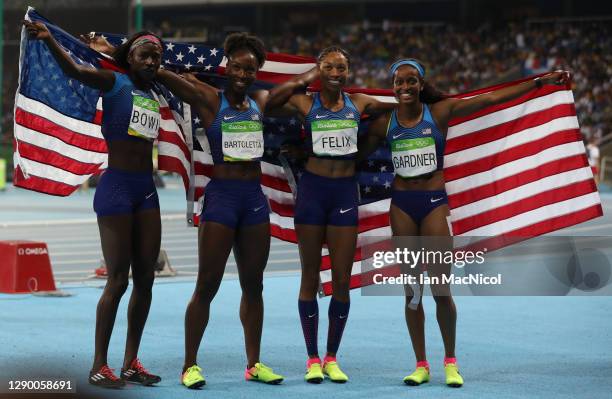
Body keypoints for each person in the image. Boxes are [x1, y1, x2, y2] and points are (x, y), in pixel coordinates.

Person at [360, 59, 570, 387]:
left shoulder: (439, 112)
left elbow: (488, 100)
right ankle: (420, 364)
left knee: (441, 290)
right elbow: (353, 156)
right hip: (401, 207)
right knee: (412, 292)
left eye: (411, 81)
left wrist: (539, 83)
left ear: (421, 84)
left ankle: (450, 361)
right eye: (399, 82)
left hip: (432, 206)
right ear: (392, 86)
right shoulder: (384, 123)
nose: (404, 87)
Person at [23, 21, 165, 388]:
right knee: (118, 279)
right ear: (129, 58)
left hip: (146, 192)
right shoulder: (113, 82)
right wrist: (50, 39)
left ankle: (131, 362)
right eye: (144, 54)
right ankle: (99, 365)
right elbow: (74, 70)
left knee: (146, 279)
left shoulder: (158, 92)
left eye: (156, 56)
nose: (151, 61)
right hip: (117, 187)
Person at [152, 33, 285, 388]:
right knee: (206, 285)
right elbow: (163, 74)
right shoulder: (210, 99)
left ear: (257, 71)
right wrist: (126, 52)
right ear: (227, 68)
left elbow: (301, 92)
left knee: (253, 286)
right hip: (222, 199)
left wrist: (321, 70)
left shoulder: (260, 101)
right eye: (237, 67)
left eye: (250, 69)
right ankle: (190, 365)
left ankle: (254, 364)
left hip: (254, 201)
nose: (243, 73)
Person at [265, 46, 396, 383]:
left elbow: (400, 108)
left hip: (343, 194)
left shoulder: (361, 102)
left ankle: (332, 356)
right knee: (309, 276)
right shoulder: (305, 102)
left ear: (349, 71)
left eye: (342, 68)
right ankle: (311, 358)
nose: (336, 73)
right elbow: (273, 103)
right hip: (312, 193)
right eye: (329, 67)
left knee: (340, 280)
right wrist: (308, 76)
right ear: (320, 69)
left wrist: (362, 153)